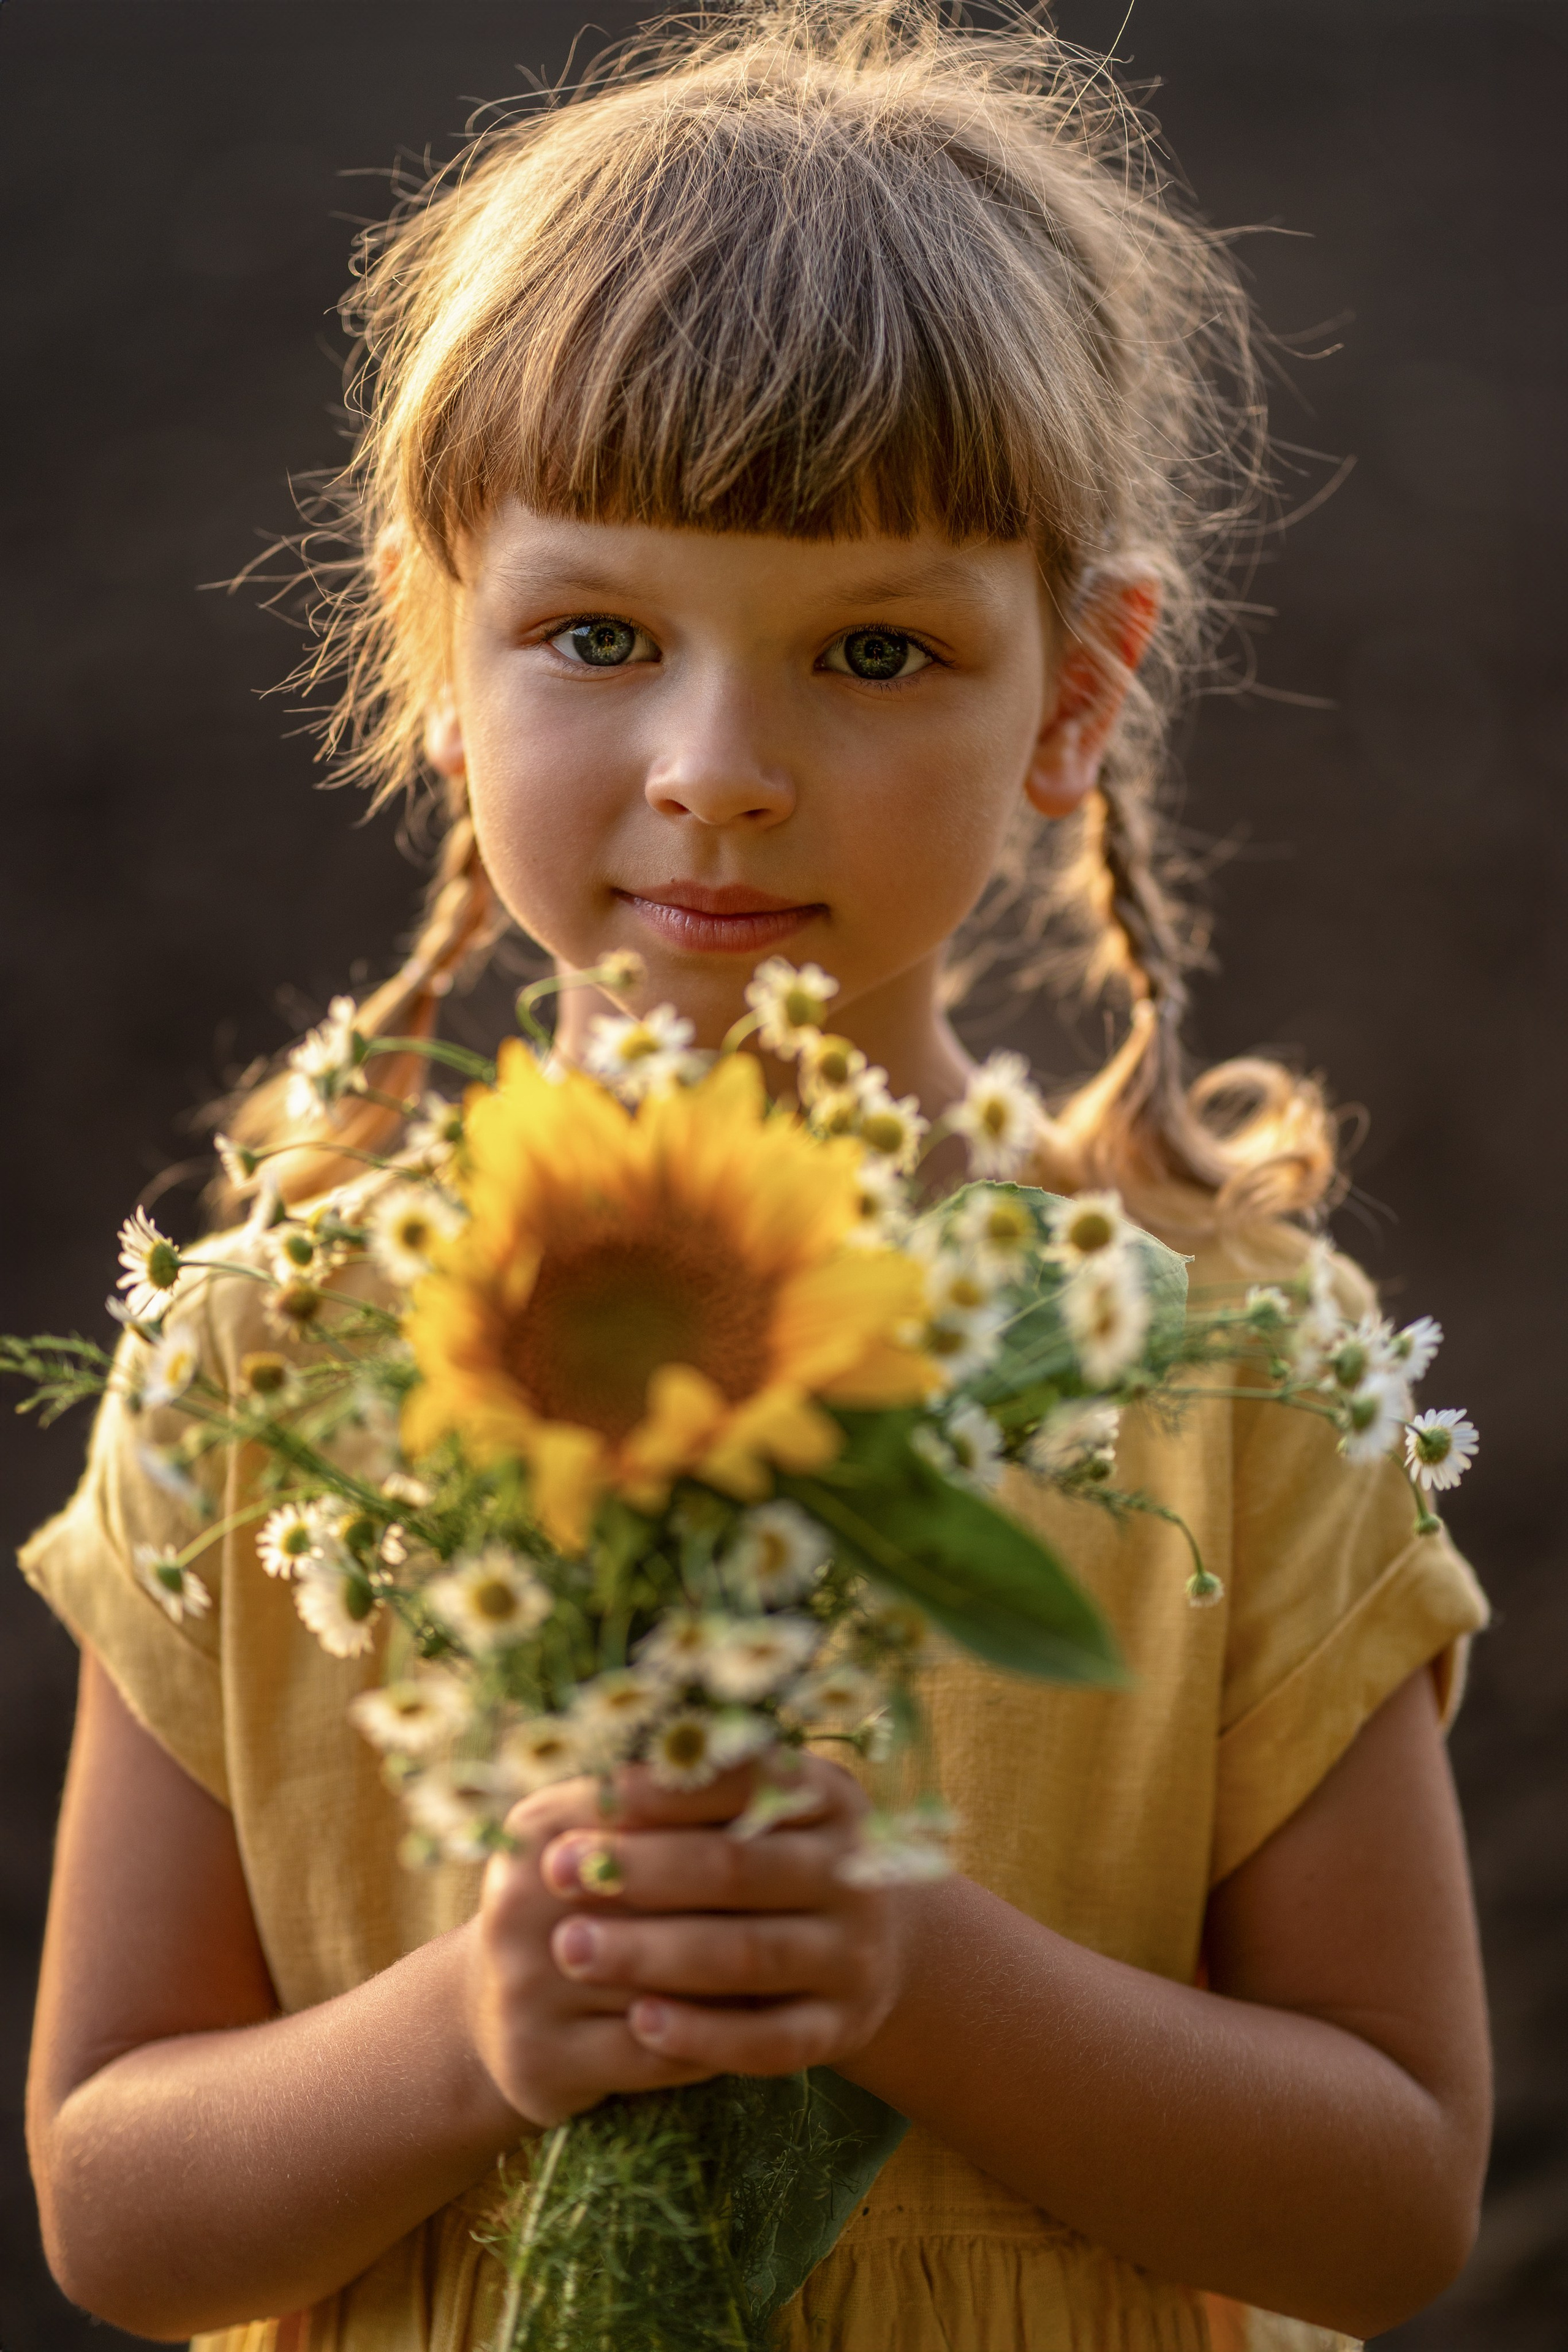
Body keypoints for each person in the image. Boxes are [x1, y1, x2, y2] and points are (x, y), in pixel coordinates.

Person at [20, 8, 1491, 2348]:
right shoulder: (264, 1366)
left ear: (1079, 692)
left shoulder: (1231, 1368)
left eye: (877, 648)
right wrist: (475, 2029)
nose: (718, 773)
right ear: (440, 644)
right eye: (598, 635)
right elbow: (115, 2202)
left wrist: (912, 1973)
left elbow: (1395, 2201)